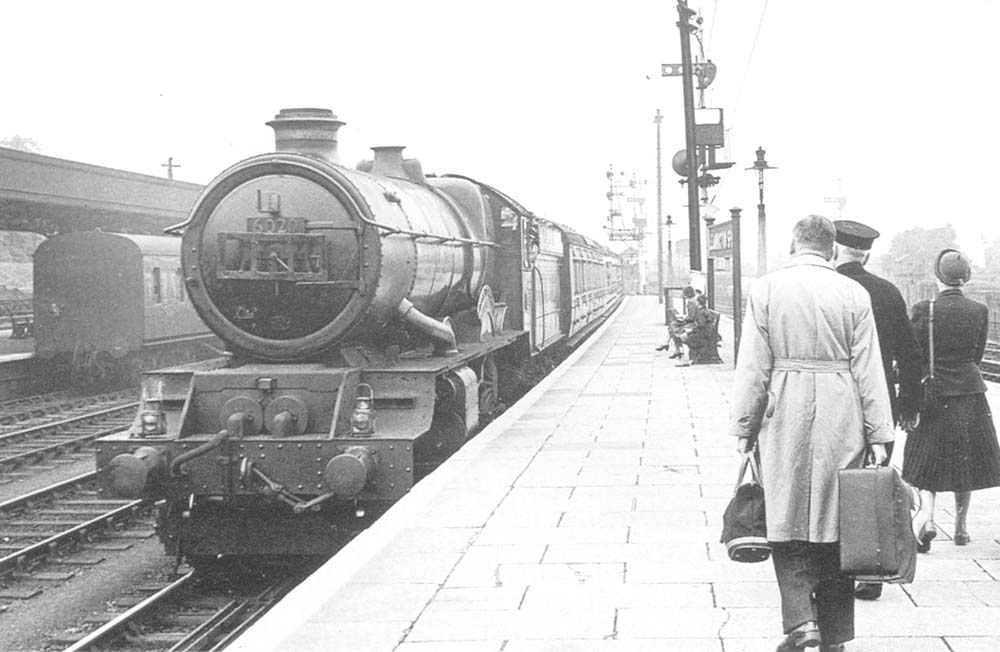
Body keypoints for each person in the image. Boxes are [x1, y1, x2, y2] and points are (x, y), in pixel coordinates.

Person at [731, 215, 893, 652]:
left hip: (784, 410)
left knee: (783, 518)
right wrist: (880, 434)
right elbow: (869, 366)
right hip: (844, 409)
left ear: (794, 243)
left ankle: (801, 621)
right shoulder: (854, 292)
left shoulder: (766, 289)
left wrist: (745, 426)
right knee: (839, 522)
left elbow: (753, 366)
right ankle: (834, 636)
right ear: (831, 248)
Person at [833, 219, 923, 601]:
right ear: (866, 252)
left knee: (833, 478)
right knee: (873, 479)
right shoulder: (886, 291)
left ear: (834, 249)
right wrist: (910, 405)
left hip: (836, 397)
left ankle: (831, 558)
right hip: (880, 398)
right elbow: (910, 353)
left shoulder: (829, 288)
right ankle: (869, 569)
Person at [902, 249, 1000, 552]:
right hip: (971, 394)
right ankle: (960, 528)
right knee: (966, 462)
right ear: (965, 279)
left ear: (937, 277)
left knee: (925, 459)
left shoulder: (923, 309)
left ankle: (928, 519)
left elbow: (914, 355)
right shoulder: (979, 310)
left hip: (935, 394)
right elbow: (977, 355)